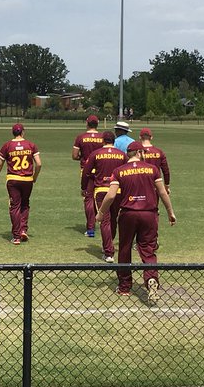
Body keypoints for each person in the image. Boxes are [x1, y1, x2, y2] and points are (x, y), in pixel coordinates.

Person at [96, 141, 177, 302]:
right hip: (149, 213)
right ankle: (151, 278)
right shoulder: (152, 169)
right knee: (148, 248)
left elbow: (111, 196)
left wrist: (100, 213)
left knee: (125, 248)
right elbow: (162, 192)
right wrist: (170, 212)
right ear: (139, 152)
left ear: (128, 154)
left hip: (128, 214)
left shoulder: (119, 171)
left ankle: (125, 286)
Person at [0, 123, 42, 245]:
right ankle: (23, 230)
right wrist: (34, 177)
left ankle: (16, 236)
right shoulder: (31, 145)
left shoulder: (7, 145)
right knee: (25, 204)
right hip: (27, 180)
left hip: (13, 179)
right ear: (23, 132)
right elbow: (39, 164)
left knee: (14, 206)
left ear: (12, 132)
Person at [86, 132, 126, 263]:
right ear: (114, 141)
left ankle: (108, 252)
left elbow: (86, 172)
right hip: (117, 191)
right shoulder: (121, 155)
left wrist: (83, 187)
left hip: (101, 190)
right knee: (113, 219)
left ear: (103, 140)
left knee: (104, 220)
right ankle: (109, 245)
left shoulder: (96, 154)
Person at [71, 115, 106, 237]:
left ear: (87, 123)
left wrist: (85, 158)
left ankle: (91, 229)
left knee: (88, 198)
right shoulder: (103, 137)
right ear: (98, 123)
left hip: (86, 170)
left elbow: (74, 155)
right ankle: (105, 225)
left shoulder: (81, 137)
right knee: (102, 197)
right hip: (102, 170)